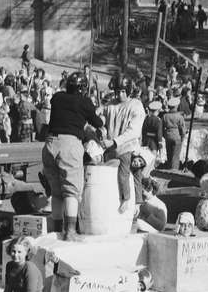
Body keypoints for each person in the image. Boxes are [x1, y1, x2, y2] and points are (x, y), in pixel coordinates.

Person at [41, 71, 105, 240]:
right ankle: (70, 231)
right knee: (71, 192)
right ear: (82, 88)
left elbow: (68, 114)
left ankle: (56, 231)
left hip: (50, 144)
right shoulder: (85, 102)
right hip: (69, 145)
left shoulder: (57, 97)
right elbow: (97, 122)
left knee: (56, 192)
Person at [102, 82, 146, 213]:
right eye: (118, 91)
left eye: (123, 91)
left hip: (128, 147)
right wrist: (100, 122)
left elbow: (134, 131)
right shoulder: (110, 105)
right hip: (111, 150)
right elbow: (101, 115)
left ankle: (130, 200)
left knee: (127, 174)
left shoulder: (136, 105)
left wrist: (114, 141)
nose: (120, 95)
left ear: (128, 90)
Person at [160, 96, 185, 170]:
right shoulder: (179, 117)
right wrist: (182, 137)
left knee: (169, 154)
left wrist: (165, 135)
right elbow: (182, 129)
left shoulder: (165, 116)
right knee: (176, 155)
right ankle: (174, 170)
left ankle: (169, 168)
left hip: (168, 135)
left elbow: (161, 128)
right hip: (177, 136)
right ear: (176, 106)